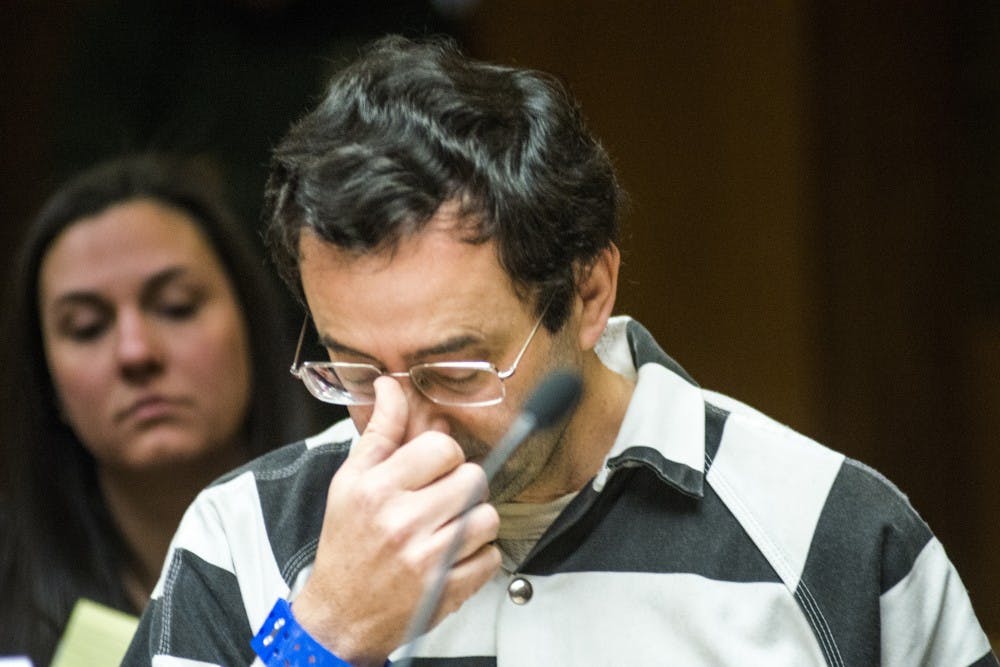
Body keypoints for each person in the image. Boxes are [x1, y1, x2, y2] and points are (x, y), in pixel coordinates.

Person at [124, 37, 998, 666]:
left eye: (454, 369)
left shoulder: (827, 533)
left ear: (588, 292)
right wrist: (320, 640)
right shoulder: (241, 535)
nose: (399, 426)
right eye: (353, 371)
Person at [0, 154, 316, 666]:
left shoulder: (366, 532)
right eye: (85, 327)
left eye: (176, 306)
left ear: (251, 331)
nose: (135, 351)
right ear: (48, 383)